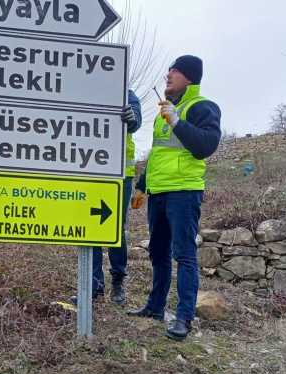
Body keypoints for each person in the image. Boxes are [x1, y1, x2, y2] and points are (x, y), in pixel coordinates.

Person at [128, 55, 221, 341]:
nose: (168, 74)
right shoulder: (163, 113)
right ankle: (155, 307)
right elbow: (158, 154)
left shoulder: (202, 107)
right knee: (157, 252)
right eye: (169, 69)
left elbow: (205, 146)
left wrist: (178, 121)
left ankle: (183, 318)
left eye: (176, 71)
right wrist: (142, 186)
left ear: (190, 78)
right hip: (158, 193)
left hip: (183, 192)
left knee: (184, 254)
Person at [71, 90, 142, 305]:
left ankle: (118, 283)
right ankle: (94, 286)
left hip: (120, 176)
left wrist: (131, 118)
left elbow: (135, 122)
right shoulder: (89, 90)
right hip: (91, 172)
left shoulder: (127, 95)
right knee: (91, 228)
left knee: (115, 230)